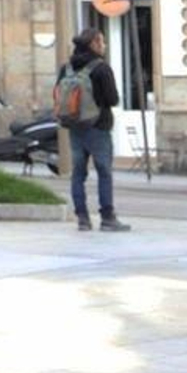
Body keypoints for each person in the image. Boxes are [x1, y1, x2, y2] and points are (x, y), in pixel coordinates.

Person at [60, 28, 128, 232]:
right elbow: (112, 99)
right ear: (94, 45)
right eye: (102, 42)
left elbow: (59, 95)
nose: (104, 46)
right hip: (98, 127)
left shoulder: (67, 68)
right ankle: (107, 217)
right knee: (104, 172)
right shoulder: (101, 68)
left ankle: (82, 218)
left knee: (78, 173)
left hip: (74, 127)